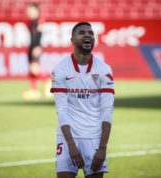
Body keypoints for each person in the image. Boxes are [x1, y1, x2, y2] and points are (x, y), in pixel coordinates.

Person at [50, 22, 115, 178]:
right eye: (82, 33)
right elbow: (61, 110)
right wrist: (71, 145)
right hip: (67, 138)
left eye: (91, 33)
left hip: (94, 138)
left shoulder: (104, 70)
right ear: (72, 40)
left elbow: (107, 110)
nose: (88, 35)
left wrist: (103, 148)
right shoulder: (60, 69)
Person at [23, 2, 51, 100]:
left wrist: (38, 47)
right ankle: (34, 90)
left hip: (36, 47)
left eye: (30, 10)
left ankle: (48, 81)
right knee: (31, 70)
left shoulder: (38, 21)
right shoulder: (31, 21)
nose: (28, 12)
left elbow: (39, 35)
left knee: (34, 69)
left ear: (36, 11)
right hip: (31, 46)